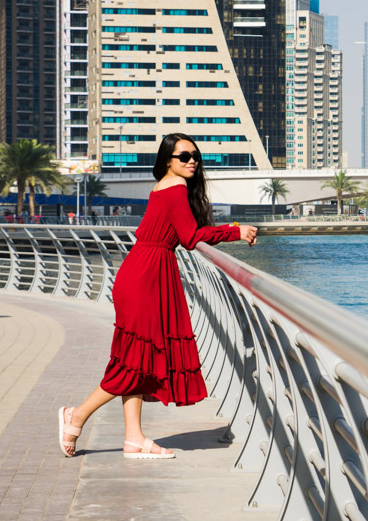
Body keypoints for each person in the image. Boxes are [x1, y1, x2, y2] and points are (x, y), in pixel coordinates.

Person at [57, 133, 257, 460]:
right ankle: (76, 415)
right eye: (184, 156)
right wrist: (236, 230)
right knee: (133, 361)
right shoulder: (175, 189)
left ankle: (134, 438)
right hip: (146, 277)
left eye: (195, 156)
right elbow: (190, 238)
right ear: (167, 161)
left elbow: (179, 232)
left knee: (138, 358)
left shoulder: (165, 186)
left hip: (144, 272)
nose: (192, 161)